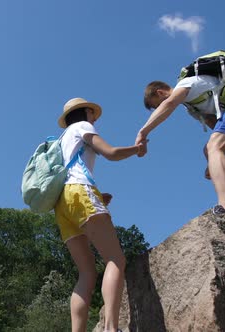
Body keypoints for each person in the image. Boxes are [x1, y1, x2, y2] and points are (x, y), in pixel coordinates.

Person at [136, 61, 225, 219]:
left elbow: (170, 103)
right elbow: (218, 127)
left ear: (160, 93)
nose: (160, 108)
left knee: (213, 147)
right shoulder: (193, 108)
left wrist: (143, 132)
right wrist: (215, 164)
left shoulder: (187, 82)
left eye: (158, 105)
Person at [55, 97, 144, 332]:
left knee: (86, 272)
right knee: (115, 260)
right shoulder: (83, 127)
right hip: (80, 193)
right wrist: (137, 149)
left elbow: (70, 174)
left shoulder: (61, 140)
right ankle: (111, 328)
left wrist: (97, 196)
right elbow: (111, 153)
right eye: (92, 113)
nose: (95, 118)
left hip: (62, 204)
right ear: (84, 113)